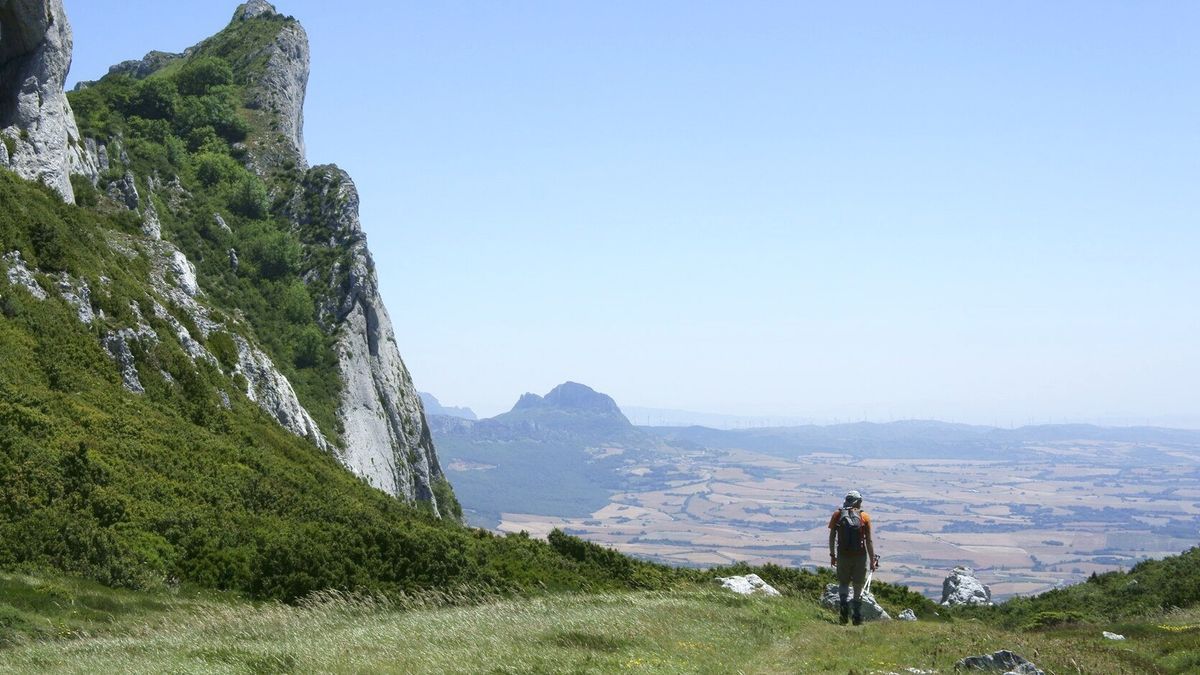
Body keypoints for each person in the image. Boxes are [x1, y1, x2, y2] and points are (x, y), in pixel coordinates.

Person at [828, 489, 878, 625]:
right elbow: (869, 541)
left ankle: (843, 609)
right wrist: (872, 560)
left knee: (843, 583)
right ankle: (856, 615)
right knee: (857, 585)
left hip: (843, 555)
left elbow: (832, 536)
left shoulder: (838, 515)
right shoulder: (865, 517)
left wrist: (833, 555)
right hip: (860, 556)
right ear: (858, 502)